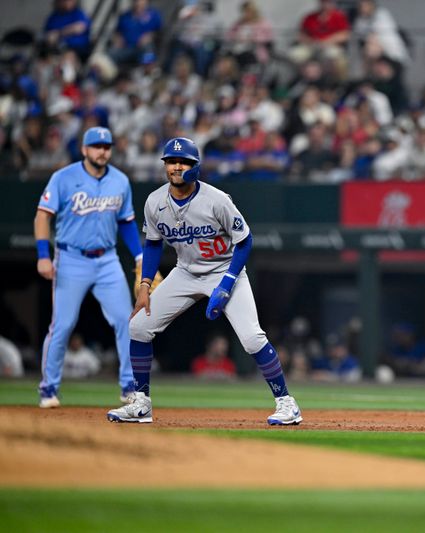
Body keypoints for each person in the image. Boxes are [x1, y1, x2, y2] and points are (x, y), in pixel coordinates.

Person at [107, 137, 302, 425]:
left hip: (224, 269)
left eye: (183, 161)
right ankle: (141, 403)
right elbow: (152, 245)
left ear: (195, 166)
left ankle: (287, 403)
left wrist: (227, 283)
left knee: (251, 338)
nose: (176, 167)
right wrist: (145, 286)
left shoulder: (217, 200)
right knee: (138, 326)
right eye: (171, 161)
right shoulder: (155, 202)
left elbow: (245, 241)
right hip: (185, 271)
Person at [35, 126, 143, 408]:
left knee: (126, 321)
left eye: (106, 147)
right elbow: (42, 216)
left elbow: (127, 222)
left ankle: (129, 386)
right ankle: (49, 388)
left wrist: (140, 256)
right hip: (71, 258)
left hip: (107, 259)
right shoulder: (64, 177)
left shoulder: (120, 181)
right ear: (84, 149)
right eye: (96, 146)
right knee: (63, 325)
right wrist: (43, 255)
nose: (102, 151)